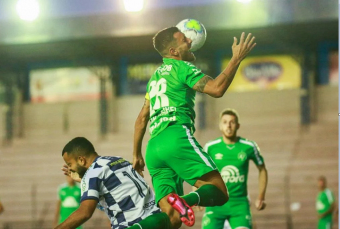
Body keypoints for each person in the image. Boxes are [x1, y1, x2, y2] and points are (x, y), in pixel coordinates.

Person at [132, 26, 256, 228]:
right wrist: (236, 59)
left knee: (171, 218)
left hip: (153, 147)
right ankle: (185, 202)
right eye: (184, 40)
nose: (190, 41)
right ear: (174, 52)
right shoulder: (183, 68)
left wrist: (136, 154)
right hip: (176, 137)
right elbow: (216, 89)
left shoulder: (154, 78)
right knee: (219, 191)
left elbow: (141, 119)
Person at [55, 137, 173, 229]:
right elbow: (114, 197)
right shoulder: (117, 160)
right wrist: (83, 181)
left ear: (81, 159)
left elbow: (85, 212)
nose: (70, 169)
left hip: (132, 224)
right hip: (157, 218)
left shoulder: (92, 174)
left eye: (70, 164)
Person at [201, 109, 268, 229]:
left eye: (232, 122)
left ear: (238, 126)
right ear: (220, 126)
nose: (229, 125)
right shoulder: (210, 147)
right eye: (225, 122)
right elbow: (199, 170)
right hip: (215, 203)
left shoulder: (249, 146)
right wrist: (198, 194)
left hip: (239, 203)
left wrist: (261, 197)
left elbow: (262, 169)